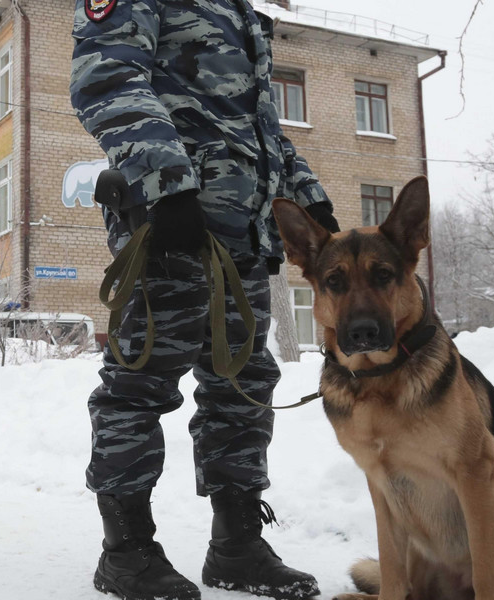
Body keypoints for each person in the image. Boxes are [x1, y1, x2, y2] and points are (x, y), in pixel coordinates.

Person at [70, 2, 340, 598]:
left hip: (243, 237)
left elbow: (257, 131)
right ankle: (127, 551)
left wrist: (308, 197)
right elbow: (106, 74)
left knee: (241, 388)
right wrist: (166, 187)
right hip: (168, 227)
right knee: (139, 385)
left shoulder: (237, 11)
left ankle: (237, 545)